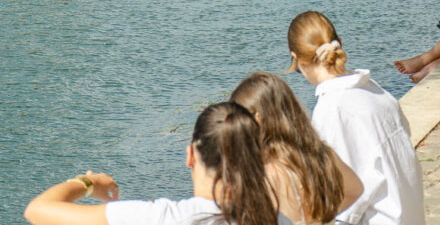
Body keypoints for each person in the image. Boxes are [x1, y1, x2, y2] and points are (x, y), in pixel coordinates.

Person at [24, 101, 285, 225]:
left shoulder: (159, 217)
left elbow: (37, 210)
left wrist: (90, 183)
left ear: (190, 156)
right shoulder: (271, 218)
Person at [287, 10, 425, 225]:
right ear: (340, 43)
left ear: (296, 59)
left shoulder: (332, 110)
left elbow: (341, 200)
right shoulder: (377, 92)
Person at [231, 71, 363, 224]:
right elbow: (355, 190)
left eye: (239, 119)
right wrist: (323, 216)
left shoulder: (266, 172)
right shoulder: (321, 154)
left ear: (258, 119)